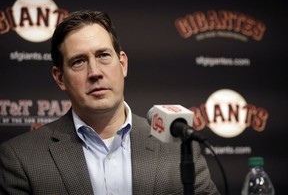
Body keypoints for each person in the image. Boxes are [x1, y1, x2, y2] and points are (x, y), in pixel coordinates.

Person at [0, 10, 220, 195]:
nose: (95, 72)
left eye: (103, 55)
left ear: (122, 64)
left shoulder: (176, 149)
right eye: (79, 61)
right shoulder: (21, 158)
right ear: (60, 78)